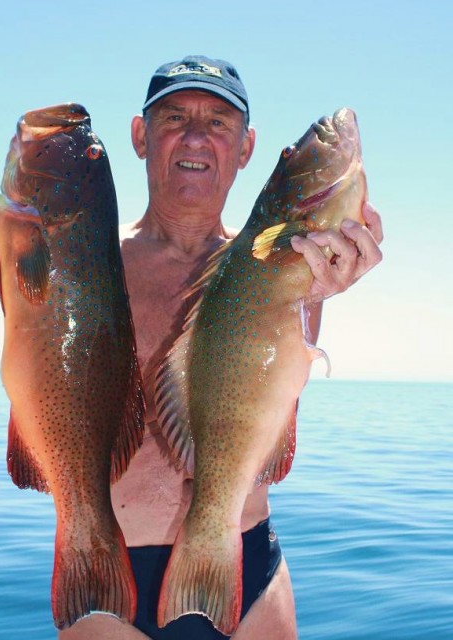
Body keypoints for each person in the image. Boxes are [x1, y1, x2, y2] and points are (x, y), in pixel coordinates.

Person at [59, 55, 383, 640]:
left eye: (218, 122)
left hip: (247, 564)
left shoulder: (286, 262)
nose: (196, 136)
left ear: (246, 147)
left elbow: (284, 372)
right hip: (110, 580)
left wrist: (331, 279)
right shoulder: (83, 267)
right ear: (140, 135)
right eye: (175, 117)